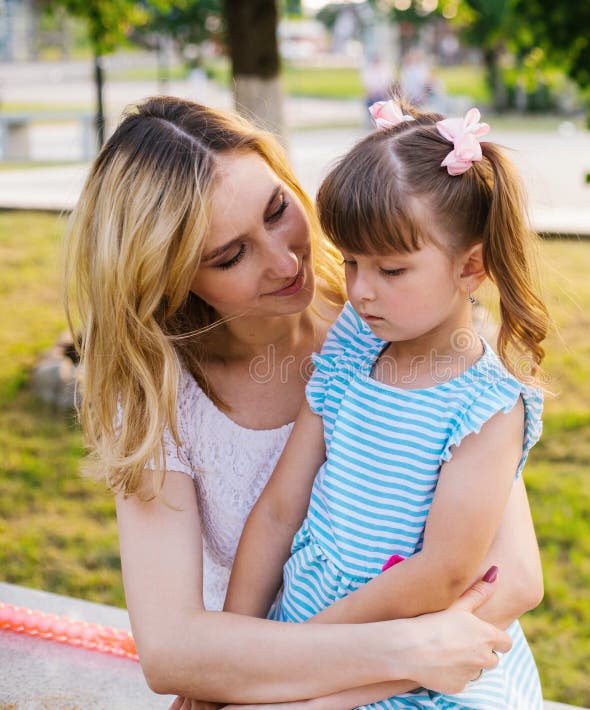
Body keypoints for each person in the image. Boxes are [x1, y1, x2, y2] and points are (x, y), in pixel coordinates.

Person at [62, 96, 545, 706]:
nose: (287, 260)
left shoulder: (389, 328)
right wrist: (381, 655)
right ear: (169, 276)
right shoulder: (161, 398)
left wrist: (307, 686)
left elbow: (513, 578)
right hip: (282, 667)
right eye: (231, 255)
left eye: (276, 210)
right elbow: (172, 651)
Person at [225, 100, 549, 709]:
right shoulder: (353, 340)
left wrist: (296, 654)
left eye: (392, 270)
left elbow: (442, 574)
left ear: (470, 267)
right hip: (303, 634)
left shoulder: (487, 405)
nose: (361, 290)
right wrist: (237, 650)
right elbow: (279, 507)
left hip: (407, 666)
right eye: (350, 262)